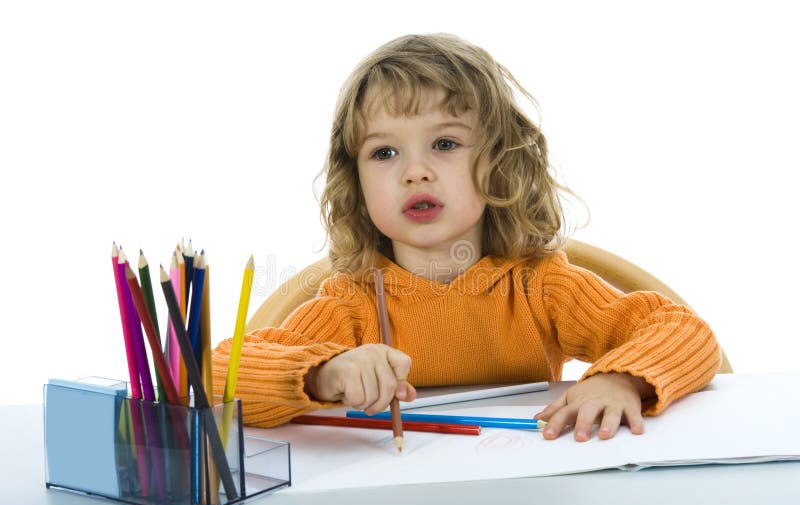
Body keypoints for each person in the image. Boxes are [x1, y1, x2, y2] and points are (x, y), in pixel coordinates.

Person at [211, 33, 720, 441]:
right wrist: (323, 374)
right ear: (356, 182)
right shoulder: (352, 304)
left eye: (445, 143)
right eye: (384, 153)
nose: (414, 172)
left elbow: (688, 334)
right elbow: (219, 376)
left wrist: (620, 378)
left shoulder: (542, 287)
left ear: (499, 163)